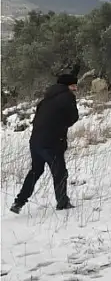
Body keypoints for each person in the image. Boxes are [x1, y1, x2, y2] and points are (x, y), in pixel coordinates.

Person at [10, 73, 80, 214]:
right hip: (52, 142)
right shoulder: (67, 97)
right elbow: (73, 117)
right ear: (68, 86)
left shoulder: (46, 99)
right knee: (59, 172)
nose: (76, 89)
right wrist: (62, 126)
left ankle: (19, 202)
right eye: (74, 85)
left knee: (35, 171)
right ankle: (63, 203)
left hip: (36, 141)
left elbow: (38, 119)